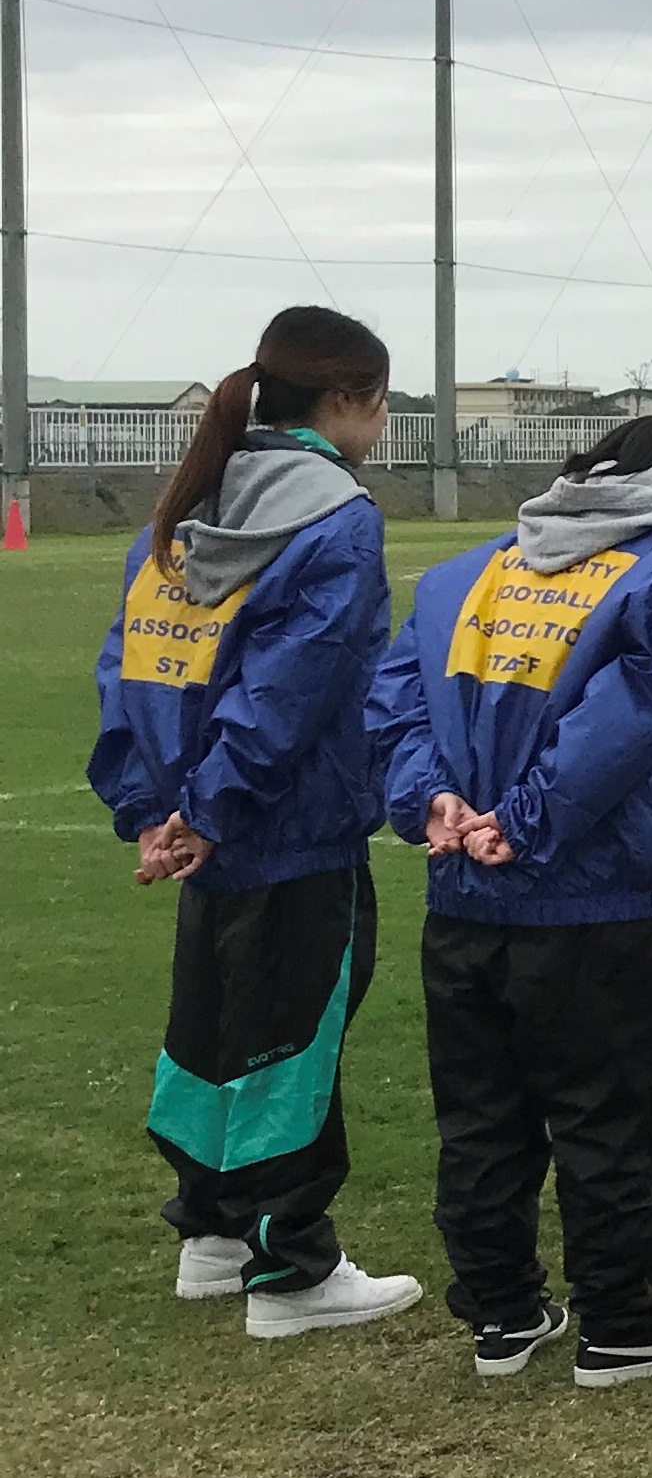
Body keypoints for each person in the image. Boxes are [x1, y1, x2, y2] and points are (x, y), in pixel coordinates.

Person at [368, 416, 652, 1387]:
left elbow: (393, 701)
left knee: (480, 1116)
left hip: (462, 893)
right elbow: (646, 708)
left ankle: (502, 1308)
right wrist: (524, 819)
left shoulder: (474, 568)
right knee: (609, 1109)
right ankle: (628, 1317)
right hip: (590, 897)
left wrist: (432, 800)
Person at [87, 304, 421, 1337]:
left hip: (208, 827)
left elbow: (132, 661)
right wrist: (208, 809)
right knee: (290, 1037)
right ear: (347, 402)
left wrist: (159, 808)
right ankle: (292, 1269)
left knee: (211, 1028)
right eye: (381, 406)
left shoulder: (195, 499)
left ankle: (213, 1234)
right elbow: (292, 690)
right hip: (290, 826)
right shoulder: (336, 518)